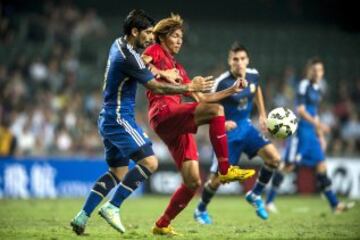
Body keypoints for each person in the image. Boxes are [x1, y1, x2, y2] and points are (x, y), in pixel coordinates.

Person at [70, 9, 213, 235]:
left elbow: (146, 67)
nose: (150, 37)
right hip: (119, 117)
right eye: (147, 33)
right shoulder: (129, 57)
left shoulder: (117, 45)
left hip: (107, 117)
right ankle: (112, 207)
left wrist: (161, 72)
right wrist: (188, 87)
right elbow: (154, 86)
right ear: (134, 32)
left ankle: (82, 216)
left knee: (116, 172)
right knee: (150, 162)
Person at [142, 15, 255, 236]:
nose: (179, 40)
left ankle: (161, 225)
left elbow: (203, 101)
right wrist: (164, 73)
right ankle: (225, 170)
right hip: (163, 113)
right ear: (163, 37)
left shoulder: (180, 69)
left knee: (193, 182)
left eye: (181, 37)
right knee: (217, 112)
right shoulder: (155, 50)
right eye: (175, 35)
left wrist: (231, 90)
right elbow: (141, 65)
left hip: (175, 124)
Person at [193, 42, 281, 224]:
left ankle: (255, 195)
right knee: (217, 181)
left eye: (242, 59)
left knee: (274, 159)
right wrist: (221, 123)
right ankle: (200, 209)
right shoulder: (221, 82)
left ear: (247, 60)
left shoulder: (254, 75)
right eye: (235, 59)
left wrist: (263, 115)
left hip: (246, 127)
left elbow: (256, 91)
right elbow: (202, 107)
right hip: (227, 136)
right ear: (229, 61)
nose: (239, 63)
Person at [265, 57, 354, 214]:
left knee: (321, 166)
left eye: (320, 70)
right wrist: (319, 126)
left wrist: (320, 136)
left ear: (323, 72)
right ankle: (269, 201)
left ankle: (335, 205)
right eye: (314, 70)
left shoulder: (317, 88)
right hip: (300, 133)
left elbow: (315, 113)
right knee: (289, 166)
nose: (317, 73)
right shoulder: (304, 85)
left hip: (312, 134)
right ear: (309, 71)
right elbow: (300, 110)